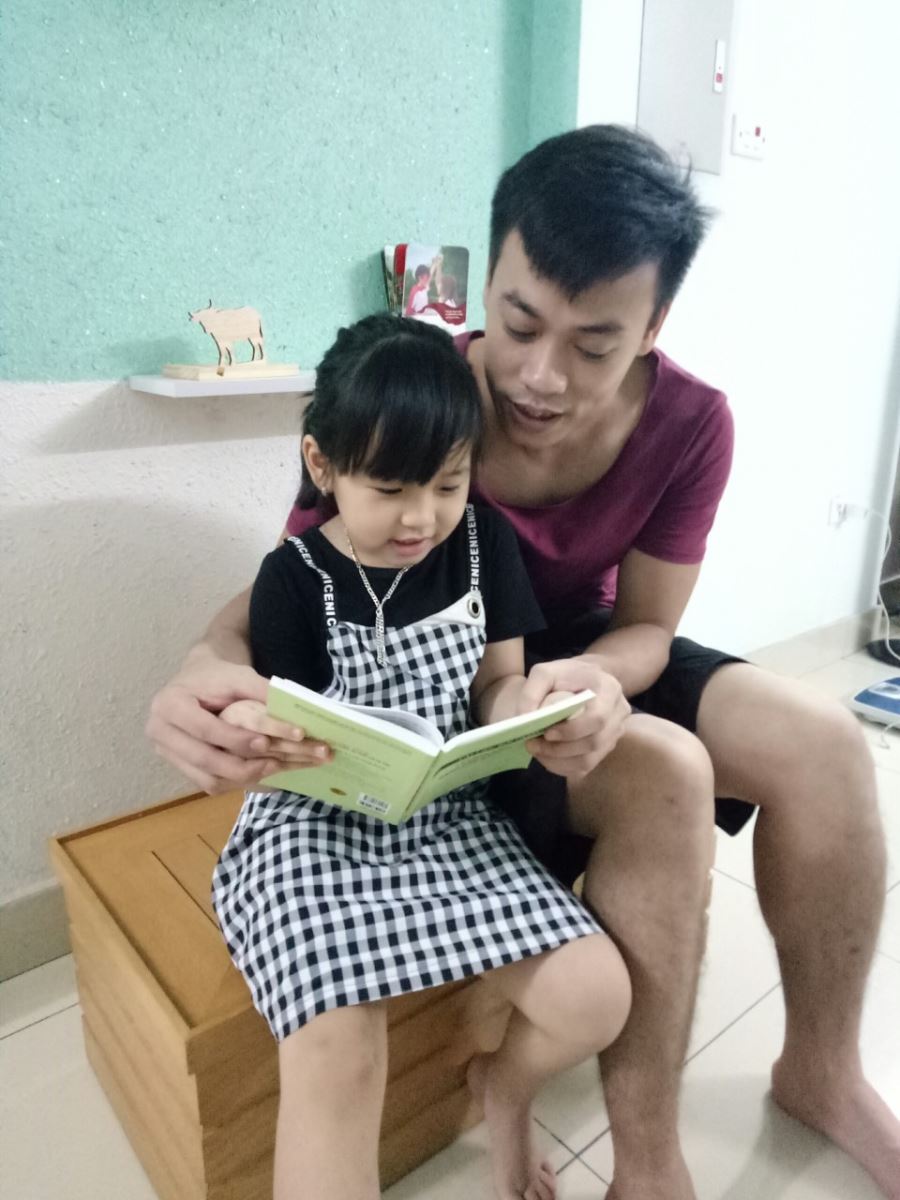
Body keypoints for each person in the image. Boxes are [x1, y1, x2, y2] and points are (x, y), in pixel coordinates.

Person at [147, 126, 898, 1200]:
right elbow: (302, 574)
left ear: (653, 327)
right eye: (518, 323)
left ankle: (815, 1075)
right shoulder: (415, 396)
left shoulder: (692, 423)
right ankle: (645, 1153)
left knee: (826, 743)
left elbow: (648, 628)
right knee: (668, 773)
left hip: (579, 652)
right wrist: (202, 662)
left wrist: (595, 682)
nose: (541, 377)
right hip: (442, 691)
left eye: (594, 345)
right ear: (486, 285)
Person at [211, 313, 632, 1200]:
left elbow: (496, 685)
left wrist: (532, 713)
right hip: (316, 827)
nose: (421, 517)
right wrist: (264, 733)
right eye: (390, 488)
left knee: (596, 996)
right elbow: (286, 739)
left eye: (448, 482)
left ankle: (505, 1087)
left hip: (446, 819)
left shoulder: (482, 544)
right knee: (337, 1052)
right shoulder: (293, 578)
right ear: (322, 465)